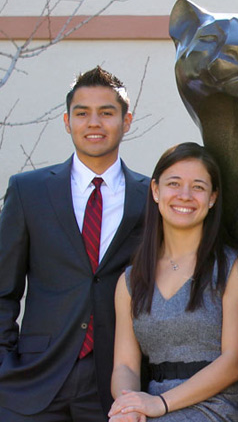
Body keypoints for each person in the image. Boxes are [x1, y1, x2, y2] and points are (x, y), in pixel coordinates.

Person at [0, 66, 148, 421]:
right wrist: (5, 365)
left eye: (107, 113)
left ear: (126, 121)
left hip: (115, 384)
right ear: (67, 122)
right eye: (82, 113)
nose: (93, 122)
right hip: (31, 381)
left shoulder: (151, 198)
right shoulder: (28, 190)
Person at [108, 143, 238, 421]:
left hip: (217, 404)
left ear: (212, 198)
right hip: (153, 404)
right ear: (156, 191)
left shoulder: (234, 267)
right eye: (174, 184)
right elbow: (125, 366)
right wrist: (130, 405)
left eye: (198, 187)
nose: (185, 196)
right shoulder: (130, 281)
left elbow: (235, 361)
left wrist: (160, 404)